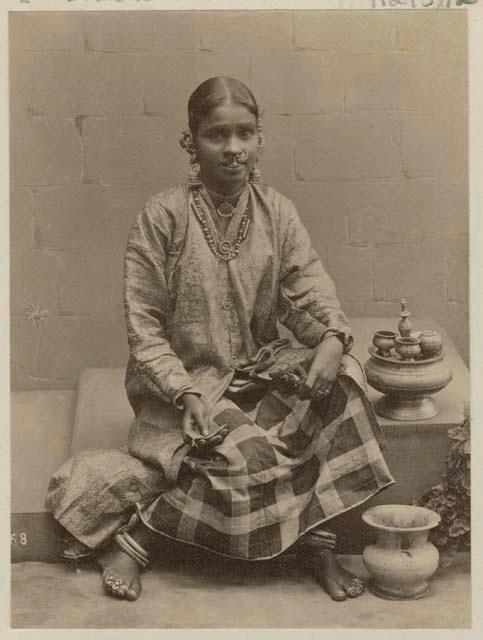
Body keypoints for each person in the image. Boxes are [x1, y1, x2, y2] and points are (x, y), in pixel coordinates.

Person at [46, 77, 395, 603]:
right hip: (186, 386)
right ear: (191, 142)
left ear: (260, 139)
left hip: (259, 368)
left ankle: (316, 543)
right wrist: (184, 393)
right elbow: (144, 329)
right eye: (216, 135)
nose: (233, 149)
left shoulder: (277, 211)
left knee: (345, 385)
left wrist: (328, 340)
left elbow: (309, 292)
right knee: (243, 457)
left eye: (245, 134)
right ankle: (137, 539)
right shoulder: (161, 217)